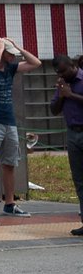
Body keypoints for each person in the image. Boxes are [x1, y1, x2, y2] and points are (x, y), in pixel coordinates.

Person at [0, 36, 42, 215]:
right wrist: (0, 50)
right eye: (11, 54)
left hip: (10, 122)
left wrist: (17, 46)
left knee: (9, 163)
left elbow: (36, 63)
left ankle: (9, 202)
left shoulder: (11, 68)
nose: (14, 57)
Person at [48, 54, 83, 237]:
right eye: (57, 72)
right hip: (72, 133)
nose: (61, 75)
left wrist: (72, 95)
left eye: (63, 71)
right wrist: (62, 96)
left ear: (72, 66)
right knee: (79, 180)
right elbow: (54, 110)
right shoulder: (62, 84)